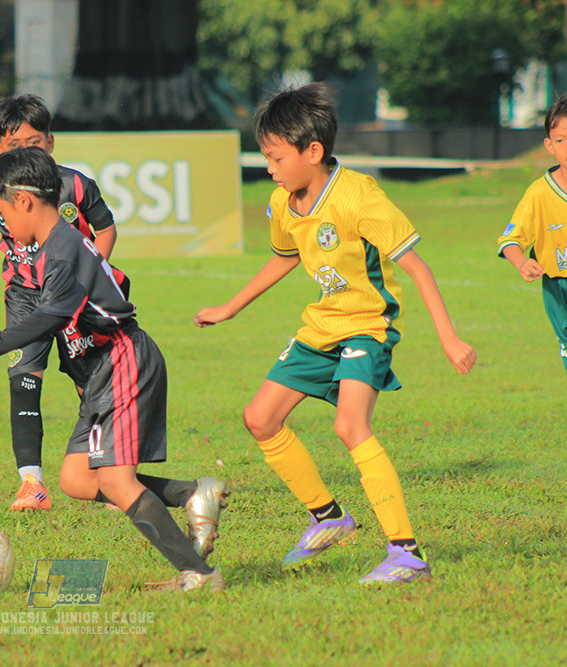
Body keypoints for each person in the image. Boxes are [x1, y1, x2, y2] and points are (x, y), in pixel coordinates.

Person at [194, 83, 476, 585]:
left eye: (276, 157)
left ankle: (406, 554)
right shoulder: (284, 203)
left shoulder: (360, 197)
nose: (270, 168)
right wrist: (230, 307)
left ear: (314, 151)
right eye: (266, 157)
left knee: (350, 427)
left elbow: (419, 269)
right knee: (260, 418)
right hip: (322, 326)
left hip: (369, 327)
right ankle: (327, 517)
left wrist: (449, 338)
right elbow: (284, 257)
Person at [0, 147, 227, 591]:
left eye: (2, 213)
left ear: (23, 201)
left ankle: (198, 573)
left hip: (120, 362)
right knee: (76, 479)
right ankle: (191, 494)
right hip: (101, 371)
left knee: (118, 482)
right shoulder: (56, 244)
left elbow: (51, 318)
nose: (2, 226)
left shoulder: (59, 252)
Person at [0, 94, 118, 511]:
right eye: (13, 144)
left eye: (33, 141)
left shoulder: (74, 185)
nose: (24, 150)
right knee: (23, 379)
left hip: (71, 298)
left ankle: (111, 475)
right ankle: (32, 484)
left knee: (90, 384)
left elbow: (106, 228)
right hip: (25, 296)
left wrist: (88, 274)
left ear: (50, 142)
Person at [497, 93, 567, 373]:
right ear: (549, 145)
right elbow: (511, 239)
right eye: (562, 140)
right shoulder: (540, 193)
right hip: (559, 288)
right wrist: (521, 262)